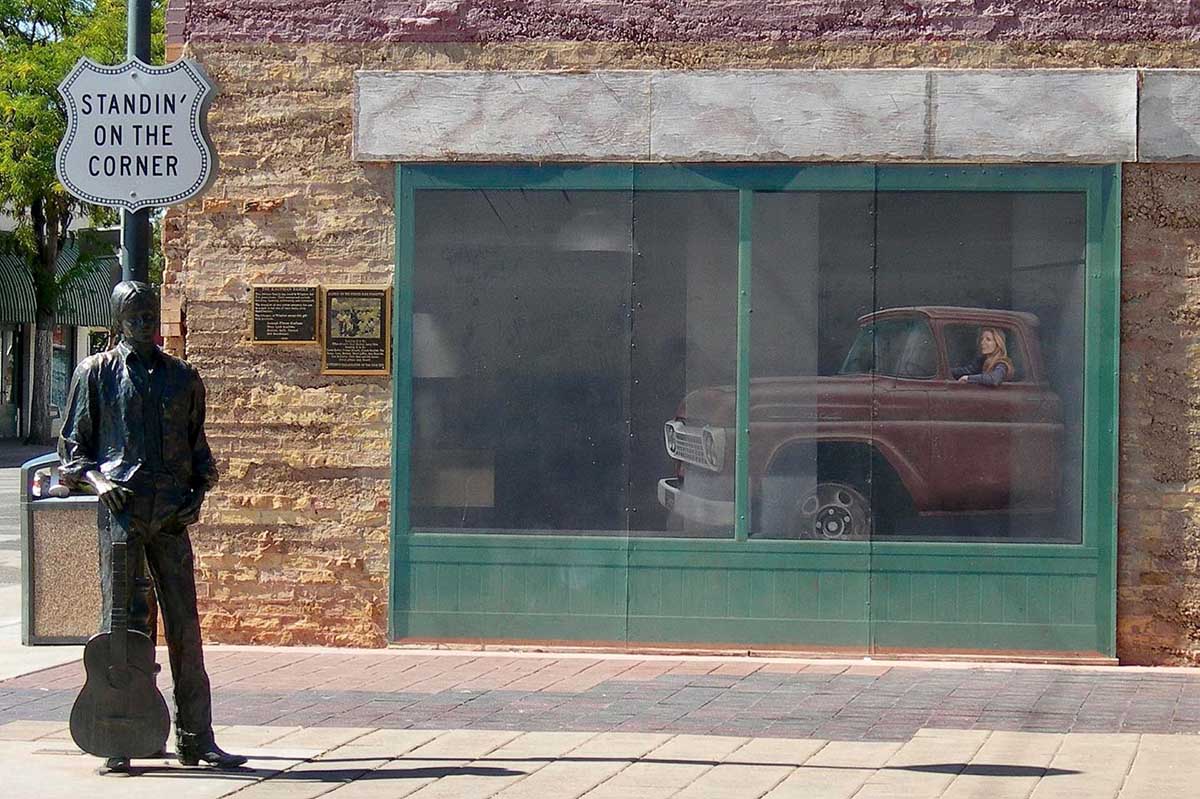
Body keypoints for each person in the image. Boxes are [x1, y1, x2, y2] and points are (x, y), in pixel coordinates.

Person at [58, 281, 246, 774]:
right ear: (118, 319)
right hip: (122, 511)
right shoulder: (94, 373)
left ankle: (196, 737)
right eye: (134, 315)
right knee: (122, 624)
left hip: (169, 514)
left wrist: (197, 496)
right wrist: (101, 482)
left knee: (185, 625)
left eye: (149, 314)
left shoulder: (183, 378)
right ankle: (118, 733)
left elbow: (199, 453)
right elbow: (73, 454)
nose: (144, 322)